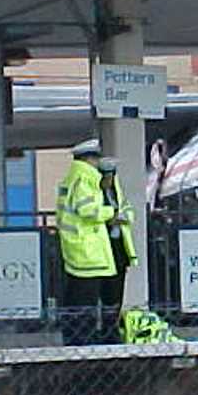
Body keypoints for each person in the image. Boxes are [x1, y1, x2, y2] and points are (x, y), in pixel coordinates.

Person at [55, 139, 118, 345]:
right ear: (90, 159)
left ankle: (74, 337)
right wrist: (112, 213)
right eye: (96, 159)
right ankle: (84, 339)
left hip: (75, 247)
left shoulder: (73, 177)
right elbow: (88, 210)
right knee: (86, 301)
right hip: (88, 250)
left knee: (75, 298)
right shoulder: (85, 178)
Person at [97, 157, 137, 335]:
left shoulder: (116, 193)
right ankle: (104, 329)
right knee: (104, 292)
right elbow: (90, 216)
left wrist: (122, 217)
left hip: (119, 249)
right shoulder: (93, 194)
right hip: (101, 249)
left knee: (116, 292)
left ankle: (112, 328)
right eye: (106, 175)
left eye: (112, 176)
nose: (109, 180)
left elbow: (129, 211)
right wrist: (109, 217)